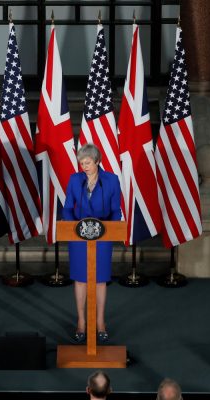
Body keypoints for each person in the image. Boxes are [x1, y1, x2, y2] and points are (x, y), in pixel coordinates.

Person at [62, 143, 122, 344]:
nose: (84, 166)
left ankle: (100, 322)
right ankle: (81, 322)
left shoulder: (111, 180)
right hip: (78, 238)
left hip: (103, 237)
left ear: (97, 161)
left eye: (87, 162)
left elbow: (116, 210)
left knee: (100, 279)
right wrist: (72, 228)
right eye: (81, 163)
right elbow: (68, 208)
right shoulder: (74, 179)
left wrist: (110, 231)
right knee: (80, 279)